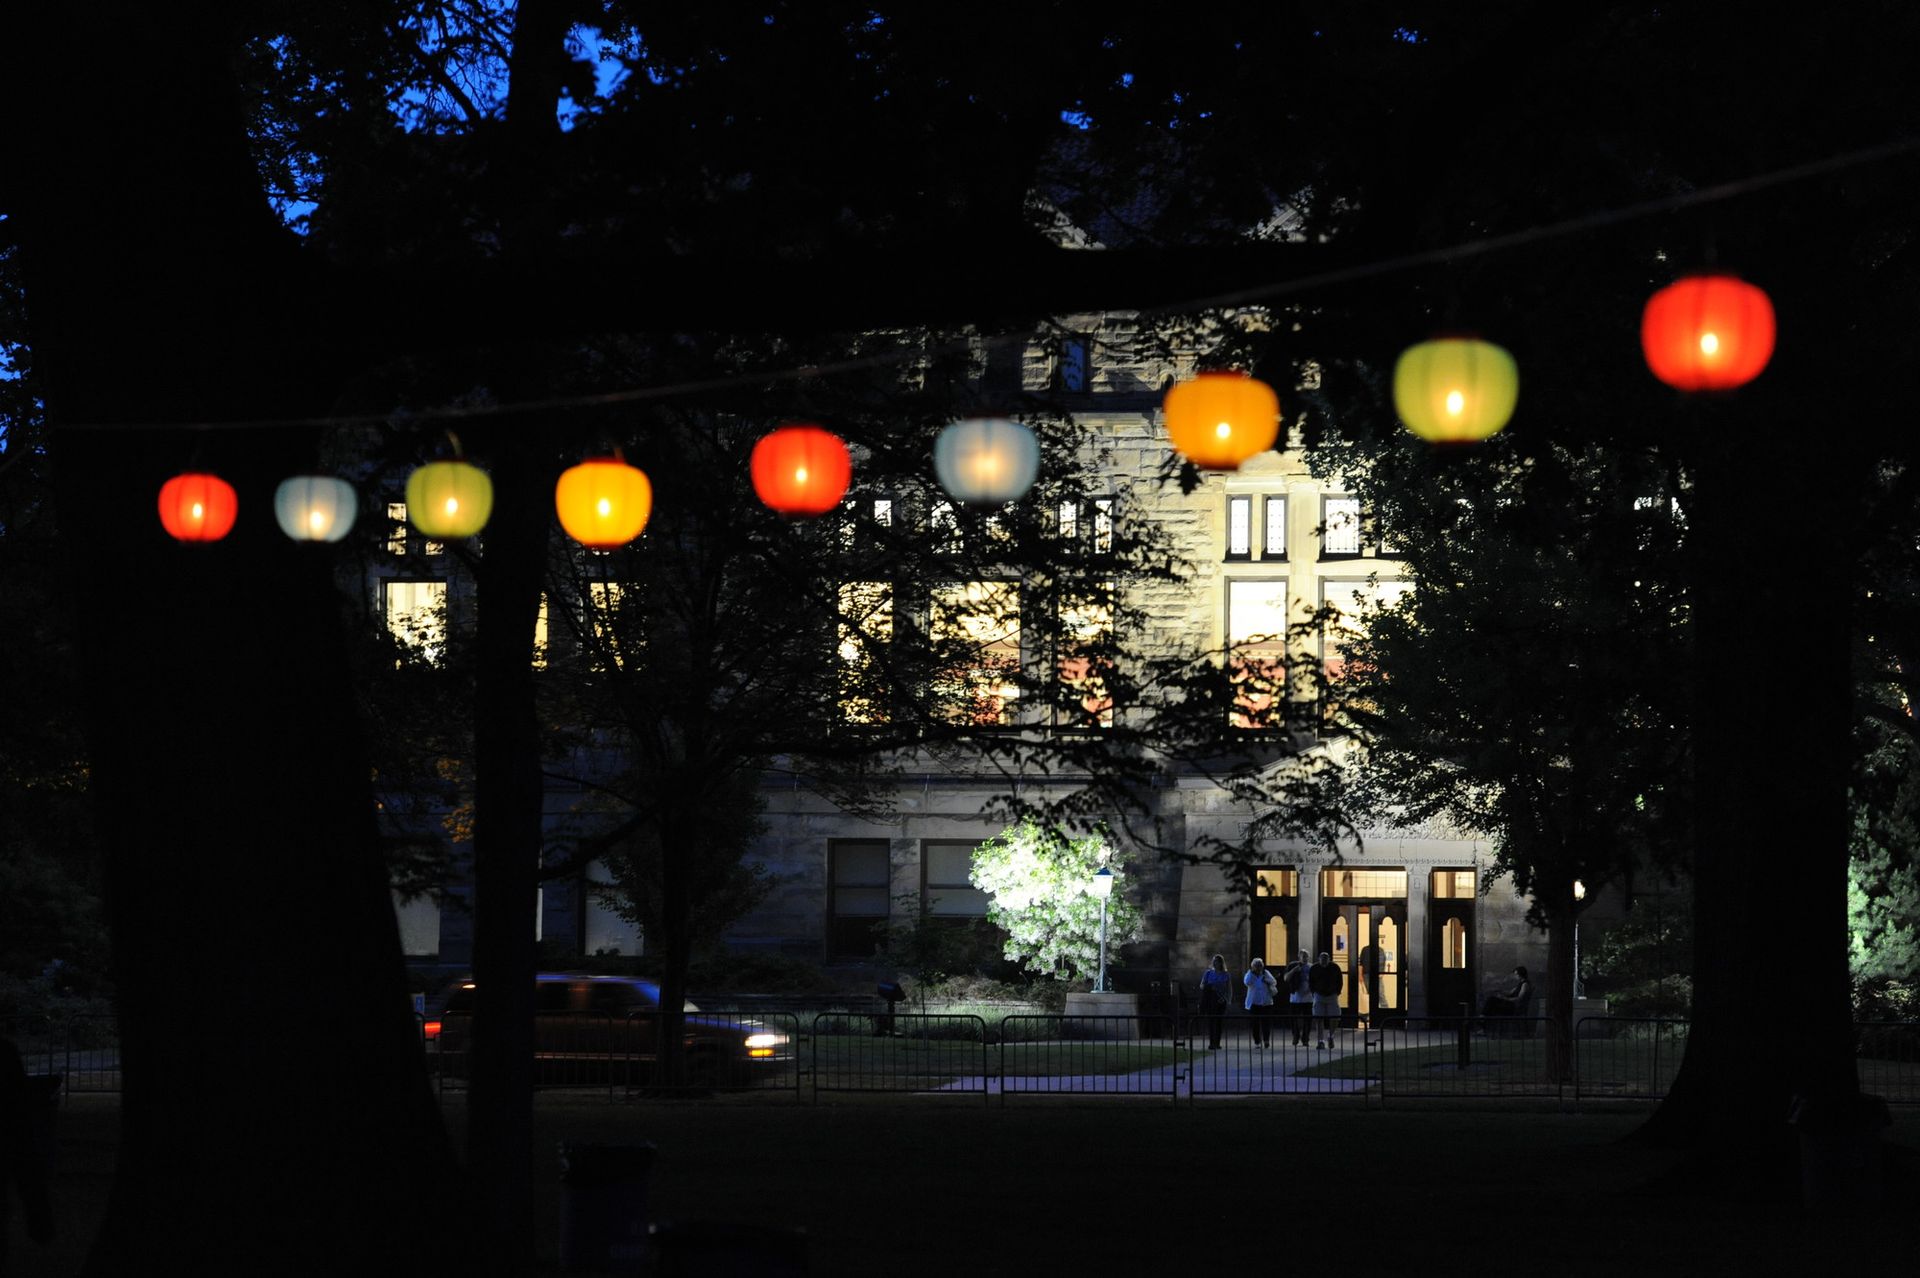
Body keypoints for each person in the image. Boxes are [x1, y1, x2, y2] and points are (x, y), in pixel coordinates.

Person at [1308, 950, 1343, 1050]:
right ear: (1319, 959)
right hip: (1319, 994)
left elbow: (1340, 981)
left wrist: (1337, 991)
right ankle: (1320, 1040)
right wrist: (1313, 992)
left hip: (1332, 995)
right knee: (1319, 1019)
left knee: (1335, 1017)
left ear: (1329, 960)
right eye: (1322, 960)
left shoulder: (1335, 968)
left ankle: (1330, 1036)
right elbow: (1311, 981)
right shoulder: (1314, 968)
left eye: (1326, 960)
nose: (1324, 962)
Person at [1198, 954, 1232, 1049]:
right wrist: (1209, 987)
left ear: (1221, 963)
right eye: (1215, 961)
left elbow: (1229, 989)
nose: (1216, 963)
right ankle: (1212, 1042)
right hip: (1210, 1000)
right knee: (1211, 1022)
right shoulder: (1208, 973)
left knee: (1219, 1022)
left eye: (1218, 961)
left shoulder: (1226, 975)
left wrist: (1227, 1000)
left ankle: (1217, 1042)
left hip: (1221, 1001)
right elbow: (1202, 985)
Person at [1242, 957, 1278, 1047]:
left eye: (1260, 965)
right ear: (1253, 967)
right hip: (1254, 1003)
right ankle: (1257, 1041)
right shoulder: (1250, 974)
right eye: (1256, 966)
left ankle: (1266, 1040)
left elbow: (1274, 982)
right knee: (1255, 1023)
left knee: (1266, 1023)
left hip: (1266, 1003)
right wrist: (1251, 973)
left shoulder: (1265, 973)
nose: (1258, 968)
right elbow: (1247, 982)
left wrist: (1266, 980)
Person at [1283, 949, 1313, 1046]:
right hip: (1295, 996)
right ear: (1299, 957)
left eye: (1306, 956)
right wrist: (1294, 970)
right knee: (1294, 1018)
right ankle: (1296, 1035)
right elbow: (1286, 978)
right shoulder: (1293, 965)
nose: (1305, 958)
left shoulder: (1311, 967)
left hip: (1308, 997)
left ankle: (1305, 1038)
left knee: (1307, 1019)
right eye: (1303, 956)